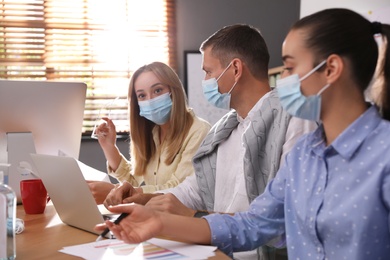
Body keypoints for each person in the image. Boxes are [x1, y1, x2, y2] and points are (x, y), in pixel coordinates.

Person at [95, 8, 390, 259]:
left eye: (288, 67)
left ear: (331, 69)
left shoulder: (381, 153)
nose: (281, 78)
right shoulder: (305, 153)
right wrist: (157, 222)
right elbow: (253, 223)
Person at [102, 24, 316, 259]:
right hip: (217, 250)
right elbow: (193, 190)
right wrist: (144, 197)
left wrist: (191, 216)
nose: (205, 80)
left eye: (208, 71)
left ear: (235, 69)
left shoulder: (294, 118)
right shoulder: (225, 130)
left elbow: (285, 215)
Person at [88, 61, 210, 204]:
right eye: (142, 95)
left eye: (157, 90)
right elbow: (134, 181)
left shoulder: (199, 131)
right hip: (154, 216)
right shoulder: (153, 132)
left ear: (174, 91)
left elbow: (179, 190)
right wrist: (109, 146)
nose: (150, 100)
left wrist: (114, 190)